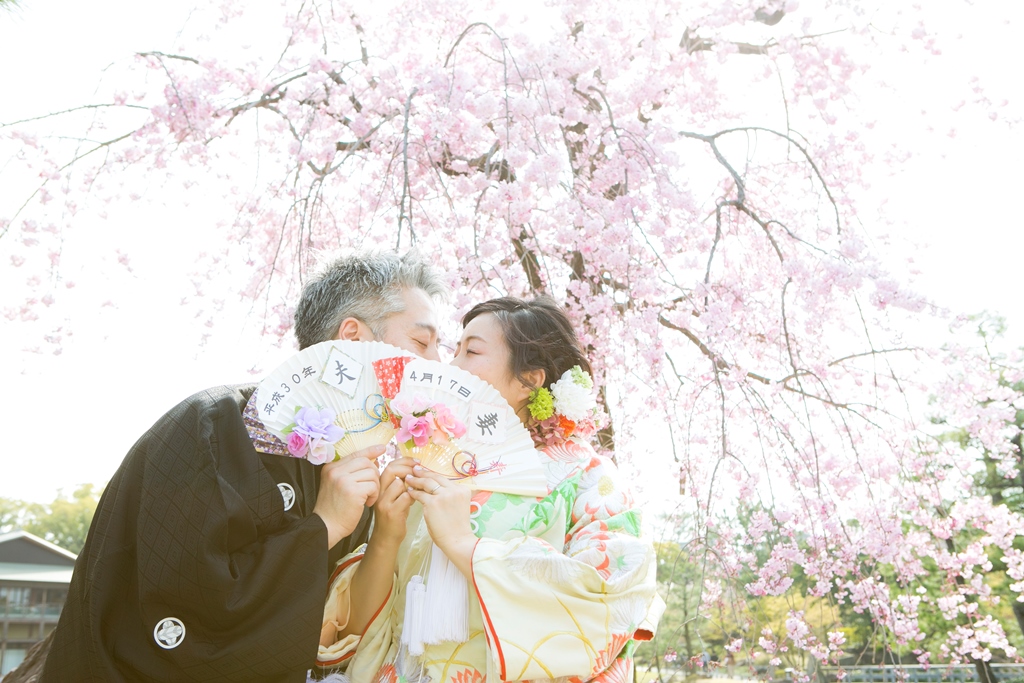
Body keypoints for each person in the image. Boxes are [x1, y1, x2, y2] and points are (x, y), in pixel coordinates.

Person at [37, 251, 447, 683]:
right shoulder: (215, 423)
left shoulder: (352, 465)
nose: (438, 362)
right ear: (353, 337)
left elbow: (331, 636)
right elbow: (189, 610)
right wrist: (322, 526)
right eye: (422, 343)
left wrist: (384, 532)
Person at [316, 296, 663, 683]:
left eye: (472, 351)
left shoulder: (587, 476)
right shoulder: (430, 467)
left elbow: (606, 604)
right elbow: (355, 633)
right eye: (455, 349)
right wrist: (385, 536)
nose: (450, 366)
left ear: (528, 381)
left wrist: (467, 546)